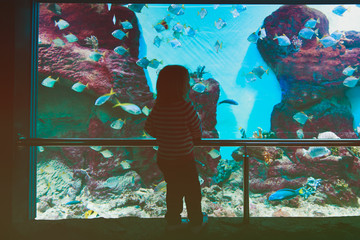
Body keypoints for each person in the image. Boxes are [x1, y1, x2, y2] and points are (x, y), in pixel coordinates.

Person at [144, 65, 208, 233]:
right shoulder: (185, 107)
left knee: (173, 189)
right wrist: (193, 138)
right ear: (181, 86)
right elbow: (196, 128)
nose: (188, 85)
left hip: (165, 158)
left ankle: (173, 222)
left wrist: (164, 133)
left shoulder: (158, 108)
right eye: (186, 82)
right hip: (184, 159)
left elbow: (149, 128)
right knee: (192, 190)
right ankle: (195, 222)